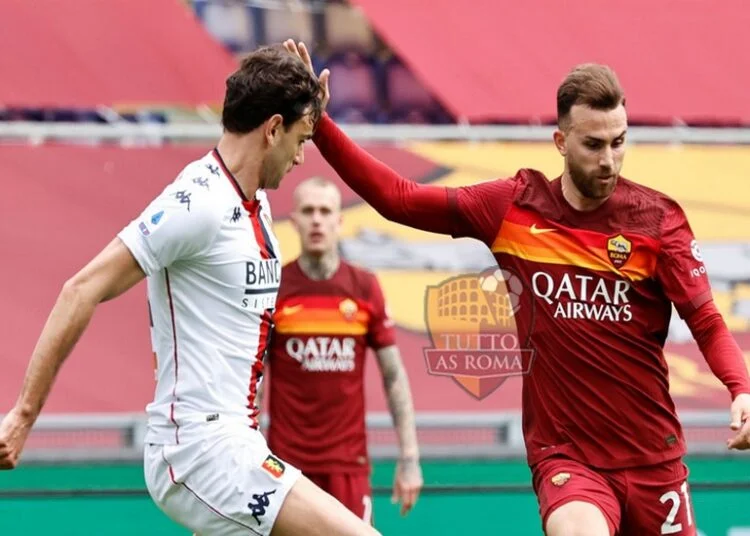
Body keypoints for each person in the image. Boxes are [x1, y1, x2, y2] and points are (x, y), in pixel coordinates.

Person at [283, 40, 750, 536]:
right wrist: (321, 125)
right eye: (593, 145)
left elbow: (706, 320)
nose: (610, 160)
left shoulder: (659, 222)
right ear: (560, 141)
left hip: (653, 458)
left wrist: (740, 389)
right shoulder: (514, 208)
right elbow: (398, 198)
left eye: (619, 141)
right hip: (569, 458)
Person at [0, 44, 380, 536]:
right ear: (272, 130)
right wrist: (22, 415)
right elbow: (81, 288)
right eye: (301, 139)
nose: (303, 156)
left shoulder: (255, 204)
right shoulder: (198, 203)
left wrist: (311, 107)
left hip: (239, 443)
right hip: (200, 451)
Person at [261, 177, 423, 525]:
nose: (317, 220)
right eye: (308, 211)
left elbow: (393, 376)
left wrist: (409, 458)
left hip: (348, 467)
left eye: (325, 211)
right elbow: (254, 379)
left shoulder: (364, 287)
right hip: (286, 468)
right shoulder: (274, 289)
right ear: (294, 221)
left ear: (339, 221)